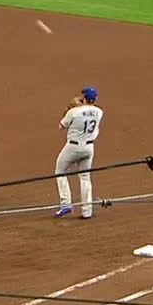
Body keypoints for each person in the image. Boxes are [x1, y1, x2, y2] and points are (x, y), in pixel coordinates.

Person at [54, 87, 104, 219]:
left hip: (73, 147)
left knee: (60, 171)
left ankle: (65, 204)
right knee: (85, 177)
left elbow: (61, 126)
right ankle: (87, 211)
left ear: (84, 98)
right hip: (89, 148)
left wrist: (68, 111)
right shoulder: (99, 112)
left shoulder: (74, 112)